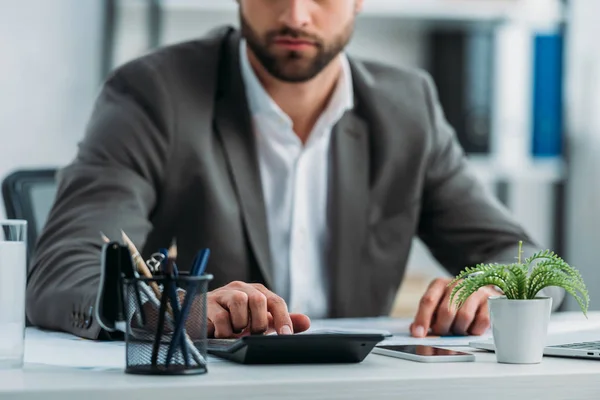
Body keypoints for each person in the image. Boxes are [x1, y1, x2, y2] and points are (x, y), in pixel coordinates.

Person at [26, 0, 564, 340]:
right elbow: (62, 272)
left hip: (361, 389)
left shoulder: (408, 106)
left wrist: (493, 292)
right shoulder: (152, 94)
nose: (296, 15)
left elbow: (530, 263)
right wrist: (180, 312)